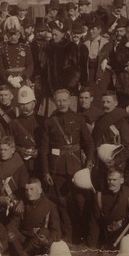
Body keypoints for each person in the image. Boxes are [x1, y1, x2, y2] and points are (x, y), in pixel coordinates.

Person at [40, 88, 94, 243]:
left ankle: (83, 234)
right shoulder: (49, 122)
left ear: (70, 101)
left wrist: (89, 162)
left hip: (77, 169)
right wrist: (46, 172)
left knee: (80, 202)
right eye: (58, 101)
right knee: (62, 204)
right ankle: (68, 235)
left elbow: (89, 143)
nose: (62, 103)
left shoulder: (78, 119)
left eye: (64, 100)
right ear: (54, 102)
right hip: (57, 170)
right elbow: (44, 151)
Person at [6, 178, 62, 256]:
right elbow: (13, 222)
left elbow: (56, 231)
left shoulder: (50, 206)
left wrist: (47, 241)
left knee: (43, 232)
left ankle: (20, 255)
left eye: (32, 189)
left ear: (40, 190)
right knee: (10, 230)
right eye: (26, 190)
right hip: (23, 239)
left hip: (38, 242)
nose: (29, 192)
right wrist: (10, 231)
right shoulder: (22, 204)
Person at [10, 86, 44, 174]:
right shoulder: (13, 123)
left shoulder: (42, 121)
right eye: (22, 104)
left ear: (34, 103)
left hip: (40, 163)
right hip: (21, 164)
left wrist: (39, 151)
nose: (24, 106)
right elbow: (10, 144)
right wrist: (20, 150)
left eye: (27, 103)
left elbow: (48, 142)